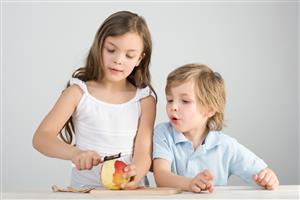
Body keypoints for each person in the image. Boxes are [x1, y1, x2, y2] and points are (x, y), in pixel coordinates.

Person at [32, 11, 156, 189]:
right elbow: (41, 138)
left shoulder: (145, 100)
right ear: (99, 46)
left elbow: (143, 153)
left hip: (128, 193)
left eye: (129, 55)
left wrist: (135, 174)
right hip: (85, 192)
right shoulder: (77, 93)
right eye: (111, 50)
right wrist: (75, 153)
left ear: (139, 59)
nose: (118, 60)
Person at [153, 64, 279, 193]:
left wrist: (268, 177)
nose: (173, 106)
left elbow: (260, 172)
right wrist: (189, 183)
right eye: (170, 100)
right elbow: (161, 175)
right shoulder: (163, 133)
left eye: (185, 101)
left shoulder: (226, 145)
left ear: (209, 110)